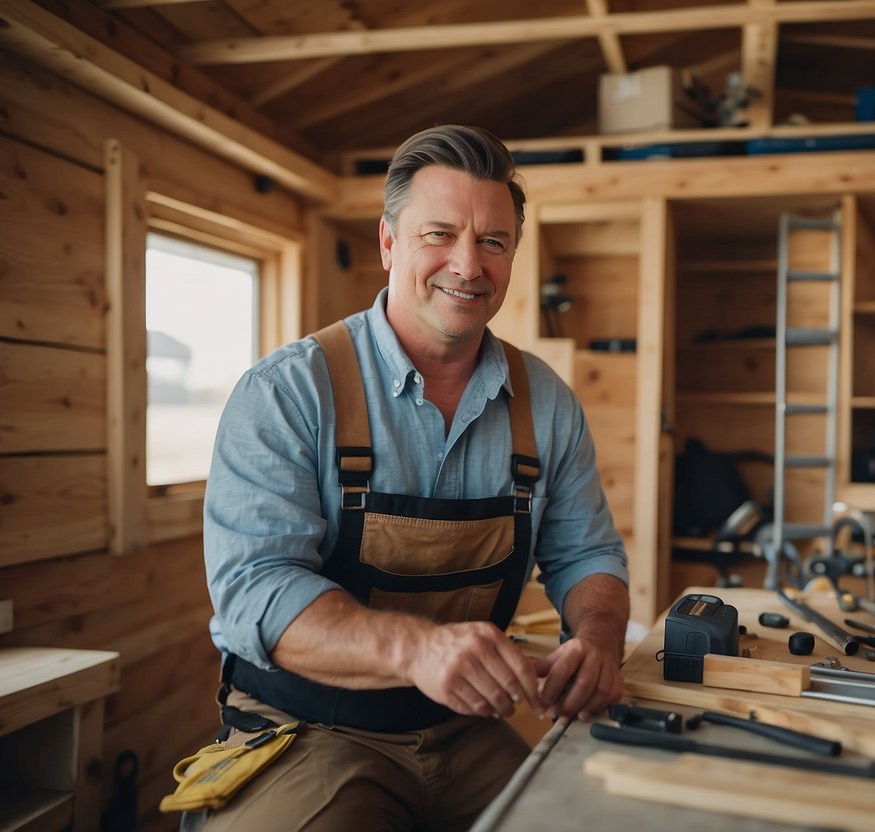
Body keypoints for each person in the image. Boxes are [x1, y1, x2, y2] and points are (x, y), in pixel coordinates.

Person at [194, 124, 630, 831]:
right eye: (440, 234)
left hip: (466, 728)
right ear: (389, 241)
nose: (467, 263)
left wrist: (599, 642)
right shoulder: (288, 391)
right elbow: (255, 594)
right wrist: (417, 649)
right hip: (307, 728)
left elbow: (586, 555)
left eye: (493, 241)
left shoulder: (545, 402)